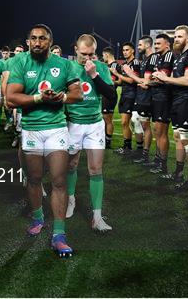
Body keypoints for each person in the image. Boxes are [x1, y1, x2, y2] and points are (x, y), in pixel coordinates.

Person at [6, 24, 82, 258]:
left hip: (56, 128)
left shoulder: (65, 64)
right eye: (33, 38)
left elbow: (78, 94)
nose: (37, 42)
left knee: (59, 180)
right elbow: (10, 98)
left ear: (50, 41)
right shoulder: (20, 62)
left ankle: (59, 234)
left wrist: (62, 97)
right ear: (28, 40)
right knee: (34, 178)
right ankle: (38, 218)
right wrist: (40, 98)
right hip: (31, 130)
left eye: (42, 39)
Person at [64, 34, 116, 231]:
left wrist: (95, 75)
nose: (87, 58)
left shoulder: (101, 67)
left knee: (96, 170)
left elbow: (111, 96)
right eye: (83, 54)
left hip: (95, 124)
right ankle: (71, 200)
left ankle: (97, 217)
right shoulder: (68, 68)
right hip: (73, 124)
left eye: (91, 54)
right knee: (71, 164)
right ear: (76, 50)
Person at [153, 25, 188, 190]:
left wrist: (165, 78)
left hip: (187, 101)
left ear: (187, 38)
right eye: (175, 37)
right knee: (178, 137)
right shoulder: (179, 56)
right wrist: (162, 78)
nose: (176, 39)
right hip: (177, 101)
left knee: (187, 138)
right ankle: (179, 172)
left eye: (180, 36)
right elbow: (174, 78)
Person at [148, 34, 174, 175]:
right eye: (155, 44)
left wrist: (152, 79)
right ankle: (158, 160)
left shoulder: (169, 56)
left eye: (159, 43)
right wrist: (154, 77)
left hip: (164, 98)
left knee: (161, 132)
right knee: (157, 131)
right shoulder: (159, 58)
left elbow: (160, 78)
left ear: (167, 45)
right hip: (157, 97)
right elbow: (155, 76)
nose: (156, 46)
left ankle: (163, 166)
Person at [109, 42, 141, 155]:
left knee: (126, 122)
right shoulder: (124, 64)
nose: (125, 52)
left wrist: (117, 74)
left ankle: (135, 148)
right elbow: (120, 82)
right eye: (123, 50)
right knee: (125, 123)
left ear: (132, 51)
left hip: (132, 95)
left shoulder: (135, 63)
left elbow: (133, 80)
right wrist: (112, 80)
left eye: (127, 50)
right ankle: (127, 147)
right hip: (124, 94)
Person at [132, 36, 159, 164]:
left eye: (140, 45)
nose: (138, 47)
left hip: (148, 98)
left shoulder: (153, 58)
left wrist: (130, 74)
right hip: (142, 97)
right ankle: (145, 153)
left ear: (148, 45)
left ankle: (147, 155)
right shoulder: (145, 59)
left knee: (148, 127)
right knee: (144, 125)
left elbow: (146, 82)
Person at [101, 47, 120, 149]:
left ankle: (108, 142)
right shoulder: (106, 65)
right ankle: (104, 139)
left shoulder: (115, 65)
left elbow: (113, 81)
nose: (103, 57)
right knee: (104, 119)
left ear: (107, 55)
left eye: (103, 55)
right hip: (105, 96)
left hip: (109, 95)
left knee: (108, 119)